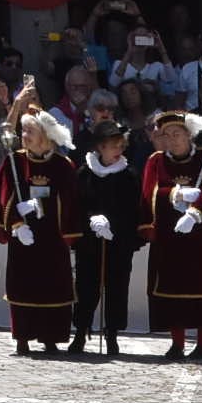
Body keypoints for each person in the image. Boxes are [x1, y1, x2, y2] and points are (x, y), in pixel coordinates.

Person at [0, 108, 82, 357]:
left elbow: (70, 200)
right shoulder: (14, 161)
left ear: (46, 136)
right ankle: (23, 338)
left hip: (52, 237)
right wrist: (16, 222)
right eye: (23, 130)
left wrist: (43, 205)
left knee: (53, 285)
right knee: (23, 284)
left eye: (30, 131)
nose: (24, 135)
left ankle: (51, 338)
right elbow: (5, 195)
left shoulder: (63, 165)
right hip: (24, 237)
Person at [139, 106, 202, 361]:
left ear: (188, 134)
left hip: (200, 238)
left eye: (176, 133)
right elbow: (149, 193)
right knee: (171, 291)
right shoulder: (156, 161)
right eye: (166, 134)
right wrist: (174, 194)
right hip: (170, 237)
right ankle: (176, 342)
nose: (171, 139)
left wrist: (196, 213)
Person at [70, 116, 140, 358]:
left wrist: (114, 225)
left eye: (121, 146)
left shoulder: (128, 175)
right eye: (113, 146)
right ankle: (81, 332)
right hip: (89, 242)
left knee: (117, 287)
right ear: (100, 147)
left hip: (118, 243)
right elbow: (77, 204)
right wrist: (91, 220)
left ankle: (112, 334)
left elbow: (133, 209)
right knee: (86, 287)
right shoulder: (84, 173)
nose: (118, 151)